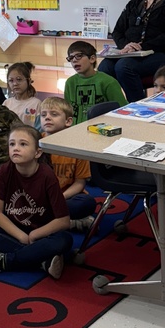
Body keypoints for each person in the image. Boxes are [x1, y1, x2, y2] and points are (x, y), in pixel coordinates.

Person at [0, 125, 73, 278]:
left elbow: (63, 221)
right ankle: (42, 261)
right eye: (12, 144)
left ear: (37, 152)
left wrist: (34, 234)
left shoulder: (47, 175)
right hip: (14, 231)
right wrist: (21, 236)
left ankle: (4, 261)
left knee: (64, 240)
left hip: (41, 233)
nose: (16, 148)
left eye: (23, 144)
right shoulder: (5, 170)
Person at [38, 96, 97, 230]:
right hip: (40, 197)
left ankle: (49, 220)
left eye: (54, 114)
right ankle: (67, 222)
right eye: (43, 115)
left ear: (68, 121)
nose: (47, 117)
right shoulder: (35, 143)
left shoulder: (76, 147)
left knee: (86, 204)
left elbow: (79, 183)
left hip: (67, 197)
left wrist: (58, 198)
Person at [64, 41, 126, 124]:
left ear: (92, 59)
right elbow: (66, 111)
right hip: (75, 130)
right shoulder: (70, 82)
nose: (74, 60)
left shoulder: (108, 81)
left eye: (79, 56)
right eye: (71, 58)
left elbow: (122, 110)